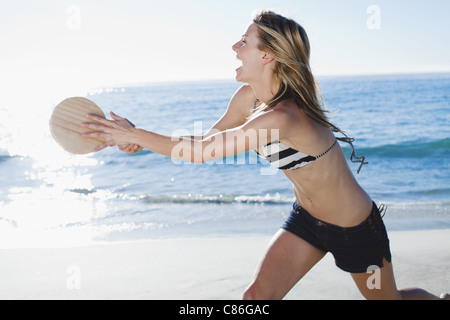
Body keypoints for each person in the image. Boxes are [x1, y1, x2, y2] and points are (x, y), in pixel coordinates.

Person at [82, 10, 449, 300]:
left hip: (354, 229)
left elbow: (202, 153)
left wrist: (137, 135)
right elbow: (208, 139)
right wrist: (136, 136)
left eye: (244, 41)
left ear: (268, 55)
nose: (234, 47)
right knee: (257, 296)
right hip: (307, 220)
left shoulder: (283, 116)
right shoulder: (249, 100)